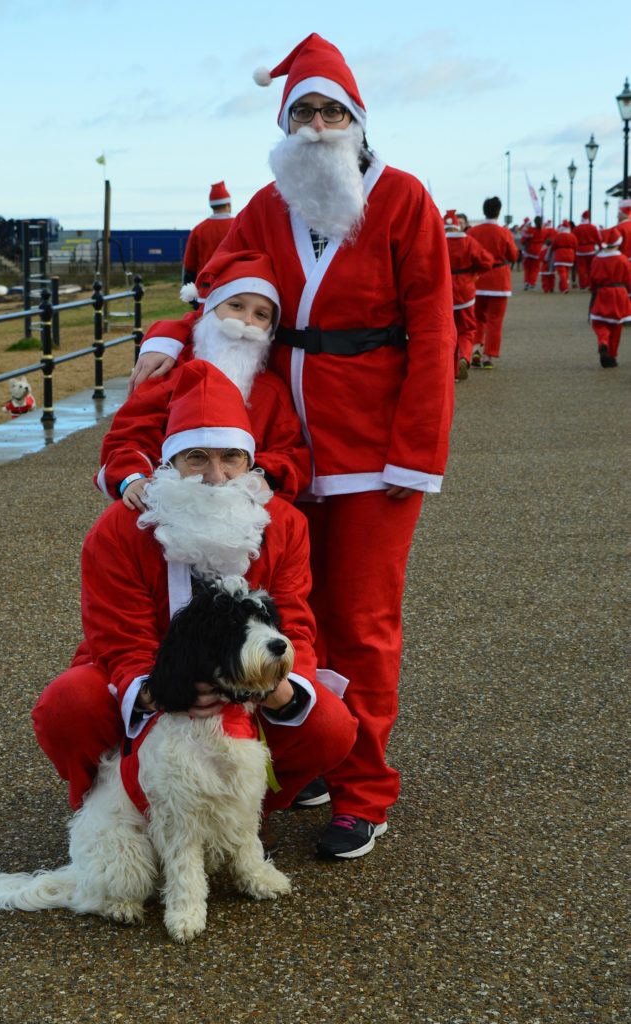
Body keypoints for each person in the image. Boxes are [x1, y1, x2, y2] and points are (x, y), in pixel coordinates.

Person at [127, 33, 455, 859]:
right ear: (283, 124)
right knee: (282, 617)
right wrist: (170, 337)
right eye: (301, 111)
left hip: (374, 453)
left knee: (364, 624)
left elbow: (432, 332)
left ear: (357, 121)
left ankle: (364, 787)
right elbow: (212, 292)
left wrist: (415, 454)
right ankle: (312, 750)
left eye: (330, 110)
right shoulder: (267, 207)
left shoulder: (405, 199)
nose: (315, 125)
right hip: (273, 456)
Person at [32, 360, 358, 849]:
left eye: (232, 458)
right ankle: (105, 817)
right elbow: (120, 636)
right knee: (67, 705)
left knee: (329, 724)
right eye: (197, 458)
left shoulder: (285, 525)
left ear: (251, 463)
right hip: (145, 673)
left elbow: (295, 626)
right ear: (170, 463)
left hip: (247, 679)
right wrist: (159, 691)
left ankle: (239, 820)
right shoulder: (120, 529)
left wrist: (280, 689)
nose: (216, 477)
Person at [97, 250, 311, 506]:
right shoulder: (168, 374)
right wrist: (132, 478)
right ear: (211, 309)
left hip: (243, 511)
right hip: (168, 506)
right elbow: (129, 436)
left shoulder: (271, 390)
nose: (245, 321)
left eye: (261, 315)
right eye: (236, 306)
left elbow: (291, 452)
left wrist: (266, 478)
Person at [443, 209, 493, 379]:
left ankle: (452, 370)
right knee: (468, 328)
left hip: (445, 289)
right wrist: (473, 273)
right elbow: (487, 261)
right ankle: (464, 356)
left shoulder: (438, 241)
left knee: (448, 330)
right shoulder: (469, 242)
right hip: (465, 289)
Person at [470, 197, 518, 368]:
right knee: (495, 320)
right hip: (499, 280)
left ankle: (475, 348)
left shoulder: (473, 232)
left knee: (476, 318)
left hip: (478, 280)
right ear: (499, 211)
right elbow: (513, 256)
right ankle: (488, 355)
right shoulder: (504, 232)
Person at [588, 227, 631, 367]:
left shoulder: (596, 260)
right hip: (620, 293)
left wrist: (593, 290)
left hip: (602, 292)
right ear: (618, 243)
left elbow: (592, 279)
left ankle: (603, 341)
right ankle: (612, 356)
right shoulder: (623, 259)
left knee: (599, 323)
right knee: (617, 327)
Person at [181, 181, 234, 285]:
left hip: (206, 288)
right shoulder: (237, 225)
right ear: (228, 204)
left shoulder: (199, 229)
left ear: (212, 206)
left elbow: (189, 265)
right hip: (232, 285)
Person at [572, 211, 601, 289]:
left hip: (580, 250)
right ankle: (590, 284)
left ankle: (583, 284)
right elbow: (598, 239)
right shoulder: (593, 227)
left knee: (581, 269)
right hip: (591, 250)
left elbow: (573, 240)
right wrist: (601, 248)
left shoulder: (576, 228)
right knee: (590, 268)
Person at [521, 216, 549, 290]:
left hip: (529, 250)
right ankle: (532, 282)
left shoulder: (530, 230)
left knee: (527, 268)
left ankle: (527, 282)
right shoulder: (545, 230)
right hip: (538, 251)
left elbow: (523, 240)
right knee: (535, 268)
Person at [552, 221, 577, 293]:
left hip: (560, 255)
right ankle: (562, 287)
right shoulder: (572, 236)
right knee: (566, 272)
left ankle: (565, 287)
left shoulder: (558, 236)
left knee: (562, 273)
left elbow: (554, 246)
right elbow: (575, 246)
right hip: (570, 255)